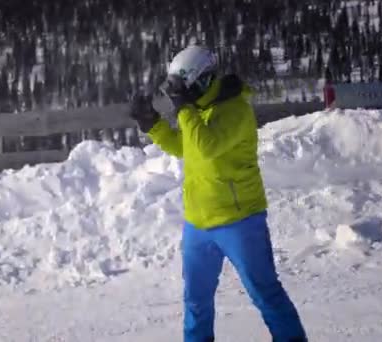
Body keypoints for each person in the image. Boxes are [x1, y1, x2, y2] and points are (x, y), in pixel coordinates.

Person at [128, 45, 307, 342]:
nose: (178, 96)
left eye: (181, 88)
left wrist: (184, 108)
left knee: (265, 294)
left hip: (239, 221)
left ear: (203, 81)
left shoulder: (235, 110)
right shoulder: (199, 110)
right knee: (196, 301)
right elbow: (185, 148)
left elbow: (207, 147)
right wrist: (152, 124)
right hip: (198, 222)